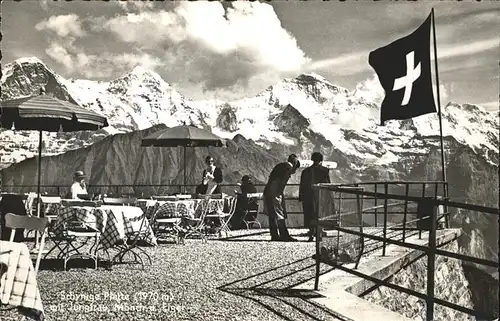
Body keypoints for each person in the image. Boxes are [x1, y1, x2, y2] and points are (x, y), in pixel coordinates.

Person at [263, 154, 300, 242]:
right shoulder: (287, 167)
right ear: (294, 164)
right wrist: (277, 195)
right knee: (279, 214)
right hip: (274, 193)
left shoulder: (281, 166)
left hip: (269, 192)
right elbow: (278, 182)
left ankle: (274, 235)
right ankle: (284, 235)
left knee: (272, 215)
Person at [299, 152, 331, 242]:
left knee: (310, 214)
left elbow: (302, 185)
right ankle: (319, 233)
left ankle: (311, 233)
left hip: (308, 196)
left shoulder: (305, 171)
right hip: (320, 196)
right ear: (321, 160)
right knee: (319, 214)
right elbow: (328, 184)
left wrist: (301, 196)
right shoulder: (325, 171)